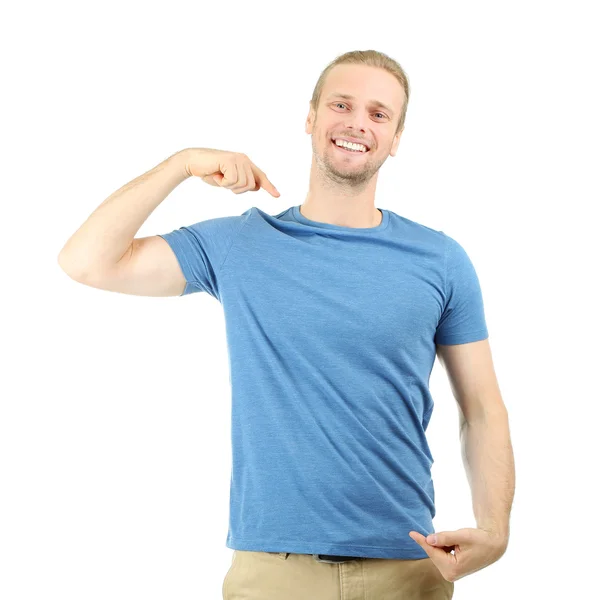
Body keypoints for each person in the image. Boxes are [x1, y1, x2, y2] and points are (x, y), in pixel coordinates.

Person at [58, 49, 515, 599]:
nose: (357, 124)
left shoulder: (441, 260)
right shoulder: (239, 244)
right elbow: (86, 261)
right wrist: (181, 163)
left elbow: (483, 407)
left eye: (378, 114)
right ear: (311, 118)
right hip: (273, 572)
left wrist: (496, 530)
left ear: (395, 138)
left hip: (408, 568)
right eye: (341, 105)